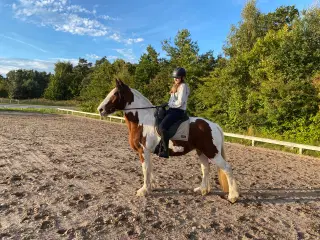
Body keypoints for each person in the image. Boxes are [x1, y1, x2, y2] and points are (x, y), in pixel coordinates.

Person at [158, 67, 190, 158]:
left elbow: (180, 102)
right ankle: (160, 144)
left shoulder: (183, 86)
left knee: (162, 126)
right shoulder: (175, 86)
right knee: (158, 115)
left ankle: (166, 151)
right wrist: (165, 105)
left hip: (178, 111)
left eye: (178, 77)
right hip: (172, 109)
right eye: (175, 77)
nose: (175, 79)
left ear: (182, 78)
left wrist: (169, 104)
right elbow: (172, 99)